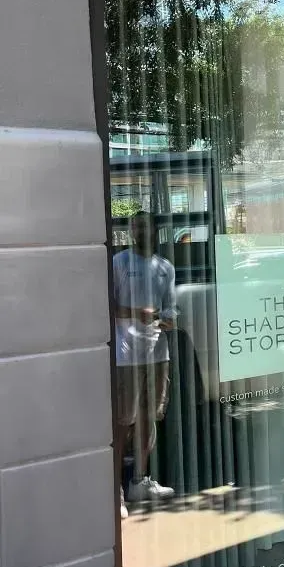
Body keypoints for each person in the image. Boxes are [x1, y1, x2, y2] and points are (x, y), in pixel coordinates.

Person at [113, 211, 177, 518]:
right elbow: (107, 305)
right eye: (135, 227)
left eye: (145, 227)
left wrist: (166, 319)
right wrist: (136, 312)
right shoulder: (119, 263)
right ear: (130, 231)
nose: (140, 232)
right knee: (123, 421)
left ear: (155, 230)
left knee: (149, 417)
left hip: (157, 354)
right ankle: (117, 493)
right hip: (127, 356)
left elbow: (171, 314)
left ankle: (140, 481)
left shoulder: (165, 267)